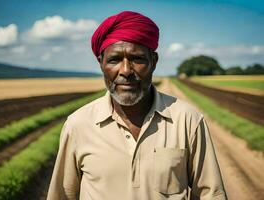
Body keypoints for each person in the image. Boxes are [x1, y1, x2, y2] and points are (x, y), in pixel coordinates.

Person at [46, 11, 227, 200]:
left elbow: (211, 194)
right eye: (115, 60)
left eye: (137, 59)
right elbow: (62, 195)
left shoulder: (187, 120)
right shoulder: (78, 125)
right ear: (101, 64)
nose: (126, 71)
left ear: (153, 62)